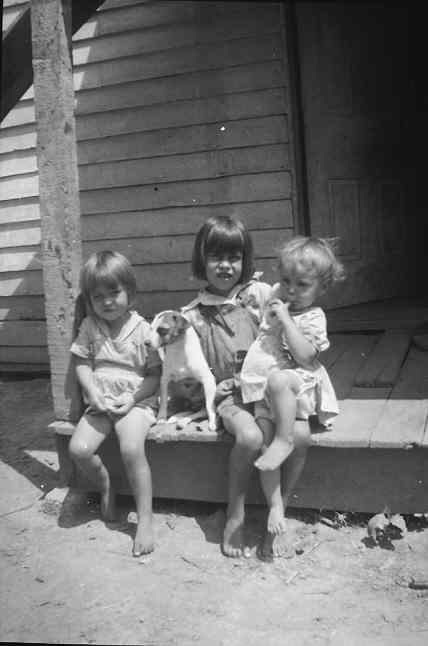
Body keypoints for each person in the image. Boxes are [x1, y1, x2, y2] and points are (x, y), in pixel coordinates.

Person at [240, 236, 345, 556]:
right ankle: (276, 507)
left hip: (294, 387)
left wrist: (286, 321)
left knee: (290, 421)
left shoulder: (313, 317)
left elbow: (305, 357)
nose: (290, 290)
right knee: (270, 441)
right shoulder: (275, 295)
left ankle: (282, 489)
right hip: (264, 392)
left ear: (321, 289)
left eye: (302, 284)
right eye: (286, 281)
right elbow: (257, 295)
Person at [182, 215, 272, 557]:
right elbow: (190, 371)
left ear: (245, 261)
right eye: (216, 257)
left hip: (266, 390)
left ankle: (278, 511)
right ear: (201, 260)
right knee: (250, 437)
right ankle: (235, 510)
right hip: (231, 395)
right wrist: (208, 386)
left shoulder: (259, 295)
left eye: (234, 257)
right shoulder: (191, 315)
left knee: (293, 434)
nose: (225, 266)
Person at [68, 250, 161, 557]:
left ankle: (144, 519)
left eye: (114, 293)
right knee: (79, 449)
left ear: (130, 292)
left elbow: (154, 375)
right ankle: (106, 483)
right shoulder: (90, 327)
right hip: (101, 400)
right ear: (89, 300)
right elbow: (81, 362)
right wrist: (92, 391)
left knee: (131, 448)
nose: (107, 302)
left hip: (137, 400)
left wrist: (132, 399)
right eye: (98, 297)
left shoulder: (144, 331)